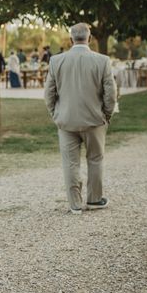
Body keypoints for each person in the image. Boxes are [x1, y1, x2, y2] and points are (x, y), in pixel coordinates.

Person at [44, 23, 117, 215]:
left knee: (70, 162)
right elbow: (111, 94)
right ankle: (94, 199)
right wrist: (106, 115)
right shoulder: (102, 61)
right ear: (90, 39)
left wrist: (56, 115)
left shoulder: (56, 61)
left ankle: (75, 204)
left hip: (66, 121)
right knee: (95, 159)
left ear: (70, 40)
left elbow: (48, 94)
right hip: (94, 120)